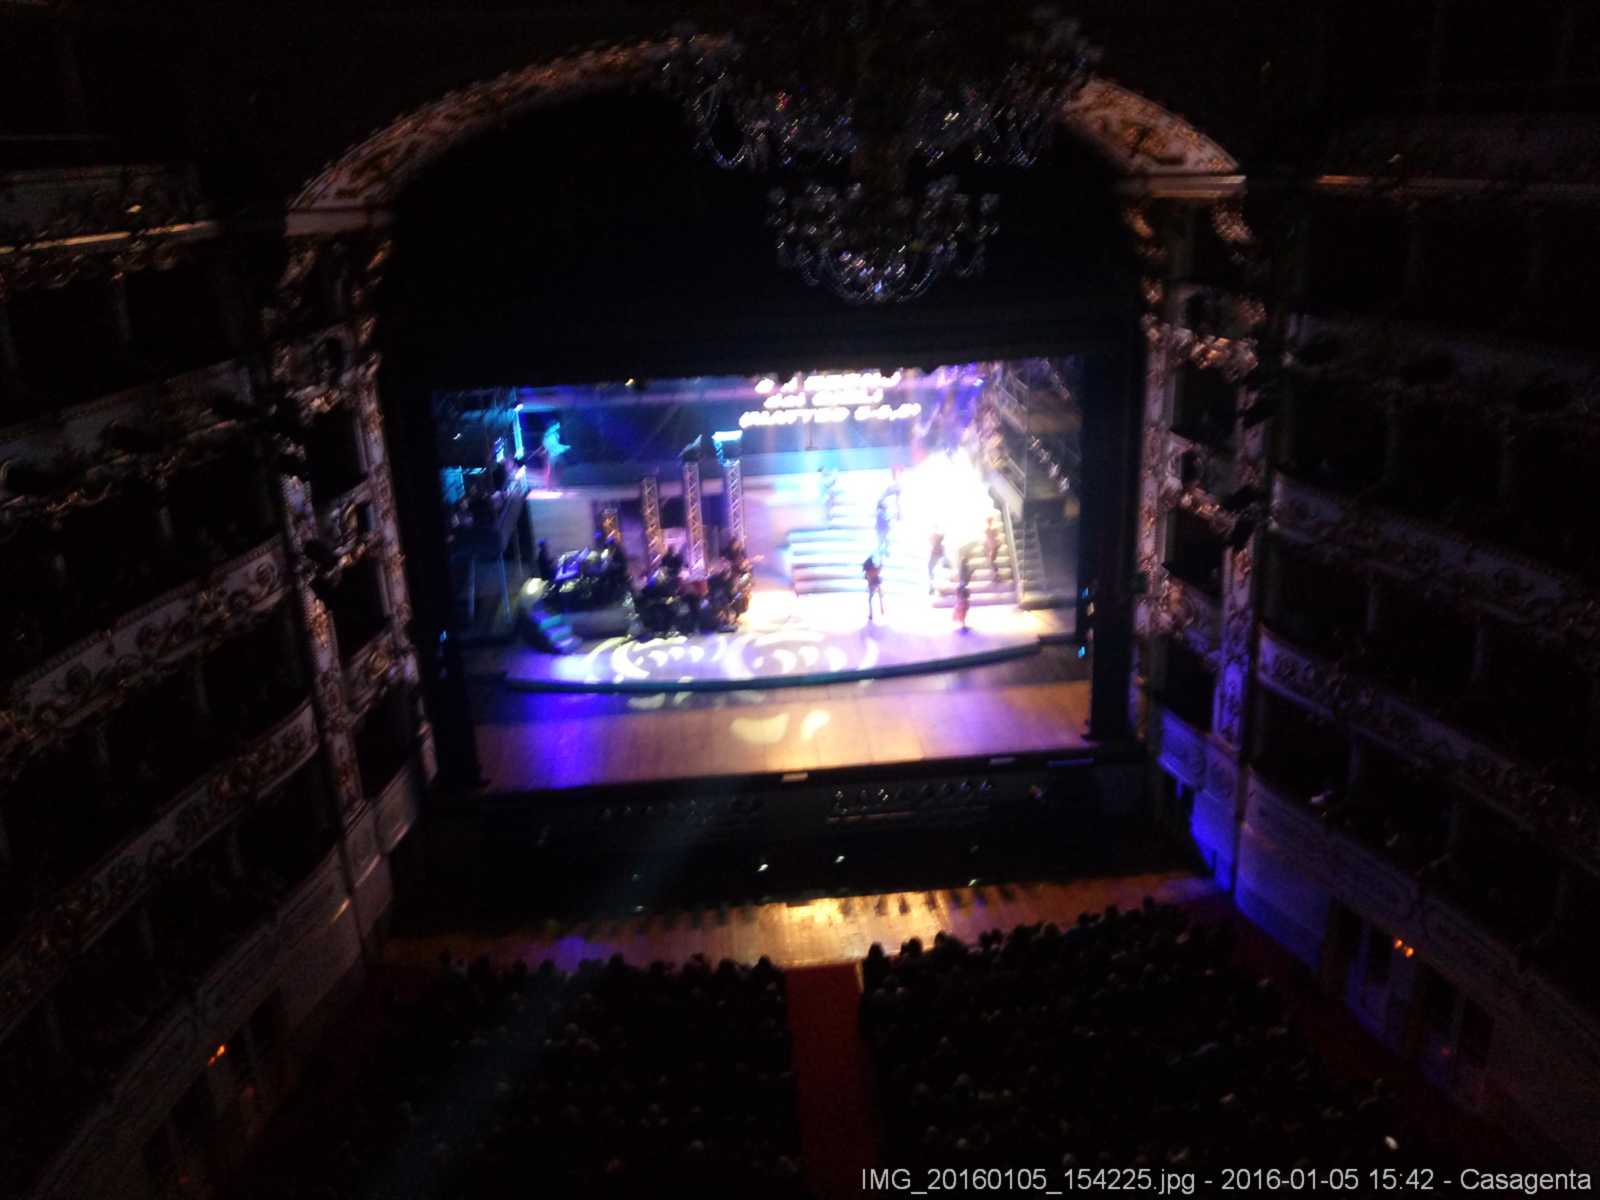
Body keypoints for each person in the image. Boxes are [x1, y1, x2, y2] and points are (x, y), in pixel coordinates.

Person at [862, 555, 885, 622]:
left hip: (872, 586)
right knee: (880, 596)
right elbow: (880, 568)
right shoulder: (875, 569)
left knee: (870, 600)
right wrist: (881, 561)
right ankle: (881, 608)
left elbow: (866, 578)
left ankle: (871, 614)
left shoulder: (868, 571)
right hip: (877, 584)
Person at [927, 529, 949, 596]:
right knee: (933, 574)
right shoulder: (940, 547)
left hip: (936, 558)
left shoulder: (940, 548)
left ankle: (934, 588)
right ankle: (933, 588)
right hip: (936, 557)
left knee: (934, 574)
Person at [954, 555, 972, 632]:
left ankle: (963, 625)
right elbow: (965, 578)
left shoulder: (963, 570)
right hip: (962, 593)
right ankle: (963, 626)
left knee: (963, 610)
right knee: (963, 610)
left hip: (962, 591)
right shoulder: (964, 570)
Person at [984, 516, 1001, 582]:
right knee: (992, 561)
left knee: (992, 561)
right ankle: (996, 575)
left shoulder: (993, 529)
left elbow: (996, 537)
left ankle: (997, 575)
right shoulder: (988, 529)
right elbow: (988, 539)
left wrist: (996, 544)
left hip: (994, 546)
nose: (989, 522)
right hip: (992, 546)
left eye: (989, 521)